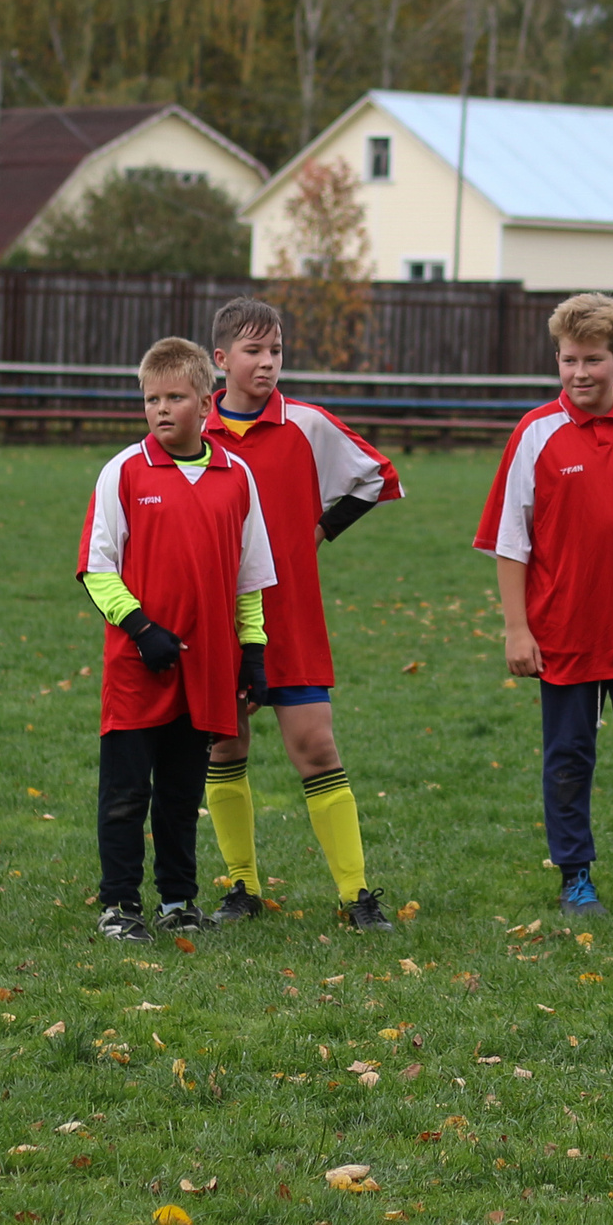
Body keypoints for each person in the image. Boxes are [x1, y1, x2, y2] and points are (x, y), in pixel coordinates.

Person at [477, 293, 613, 919]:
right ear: (557, 360)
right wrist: (517, 629)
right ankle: (576, 875)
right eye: (569, 360)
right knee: (569, 758)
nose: (580, 373)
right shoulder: (535, 433)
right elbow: (510, 540)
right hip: (563, 631)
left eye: (594, 360)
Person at [200, 297, 404, 933]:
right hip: (218, 620)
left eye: (277, 350)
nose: (267, 363)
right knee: (226, 743)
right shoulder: (191, 432)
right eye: (254, 351)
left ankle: (355, 894)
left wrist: (316, 530)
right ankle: (243, 888)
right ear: (221, 360)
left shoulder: (307, 424)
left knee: (315, 745)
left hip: (290, 615)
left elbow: (377, 476)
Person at [76, 336, 276, 944]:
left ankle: (178, 900)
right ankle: (118, 905)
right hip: (140, 666)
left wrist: (254, 654)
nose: (162, 410)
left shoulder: (235, 475)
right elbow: (96, 566)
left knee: (182, 795)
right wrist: (141, 627)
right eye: (151, 399)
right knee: (126, 794)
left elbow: (250, 577)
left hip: (207, 668)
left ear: (206, 400)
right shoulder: (125, 472)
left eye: (175, 397)